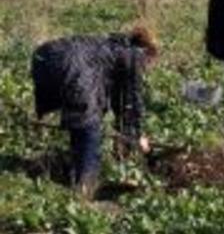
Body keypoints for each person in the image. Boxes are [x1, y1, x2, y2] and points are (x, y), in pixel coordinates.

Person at [31, 27, 157, 196]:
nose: (145, 69)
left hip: (43, 57)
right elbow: (130, 101)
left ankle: (72, 167)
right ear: (147, 53)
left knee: (80, 117)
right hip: (72, 66)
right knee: (89, 123)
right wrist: (135, 135)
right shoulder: (134, 55)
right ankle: (85, 185)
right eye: (148, 64)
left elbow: (117, 99)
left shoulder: (109, 46)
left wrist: (126, 133)